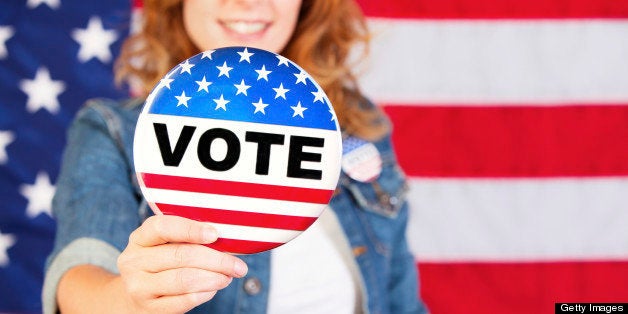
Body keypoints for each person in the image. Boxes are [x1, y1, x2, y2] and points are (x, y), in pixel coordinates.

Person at [43, 0, 429, 313]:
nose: (249, 3)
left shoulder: (358, 127)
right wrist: (129, 299)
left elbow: (402, 302)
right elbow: (80, 277)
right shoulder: (113, 131)